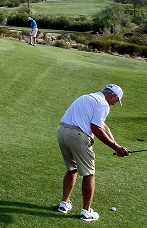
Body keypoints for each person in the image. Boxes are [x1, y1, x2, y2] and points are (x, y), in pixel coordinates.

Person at [56, 84, 130, 222]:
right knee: (89, 173)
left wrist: (117, 146)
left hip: (62, 132)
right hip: (77, 136)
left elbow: (102, 125)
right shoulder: (103, 104)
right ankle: (86, 212)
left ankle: (64, 204)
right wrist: (115, 148)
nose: (115, 104)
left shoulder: (88, 97)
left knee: (72, 169)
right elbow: (96, 128)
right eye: (116, 100)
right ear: (113, 96)